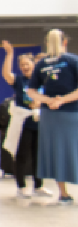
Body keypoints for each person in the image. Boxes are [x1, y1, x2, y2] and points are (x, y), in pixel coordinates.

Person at [27, 29, 78, 205]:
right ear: (65, 42)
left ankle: (63, 194)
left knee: (58, 153)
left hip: (50, 116)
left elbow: (31, 91)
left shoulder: (41, 64)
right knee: (73, 151)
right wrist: (62, 100)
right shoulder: (73, 61)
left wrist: (48, 101)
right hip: (72, 113)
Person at [1, 41, 52, 199]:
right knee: (22, 155)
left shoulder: (42, 81)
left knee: (39, 155)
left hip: (39, 122)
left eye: (27, 64)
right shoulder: (19, 81)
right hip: (23, 124)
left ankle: (39, 186)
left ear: (34, 65)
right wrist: (9, 54)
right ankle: (21, 186)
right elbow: (6, 74)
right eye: (22, 65)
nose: (24, 67)